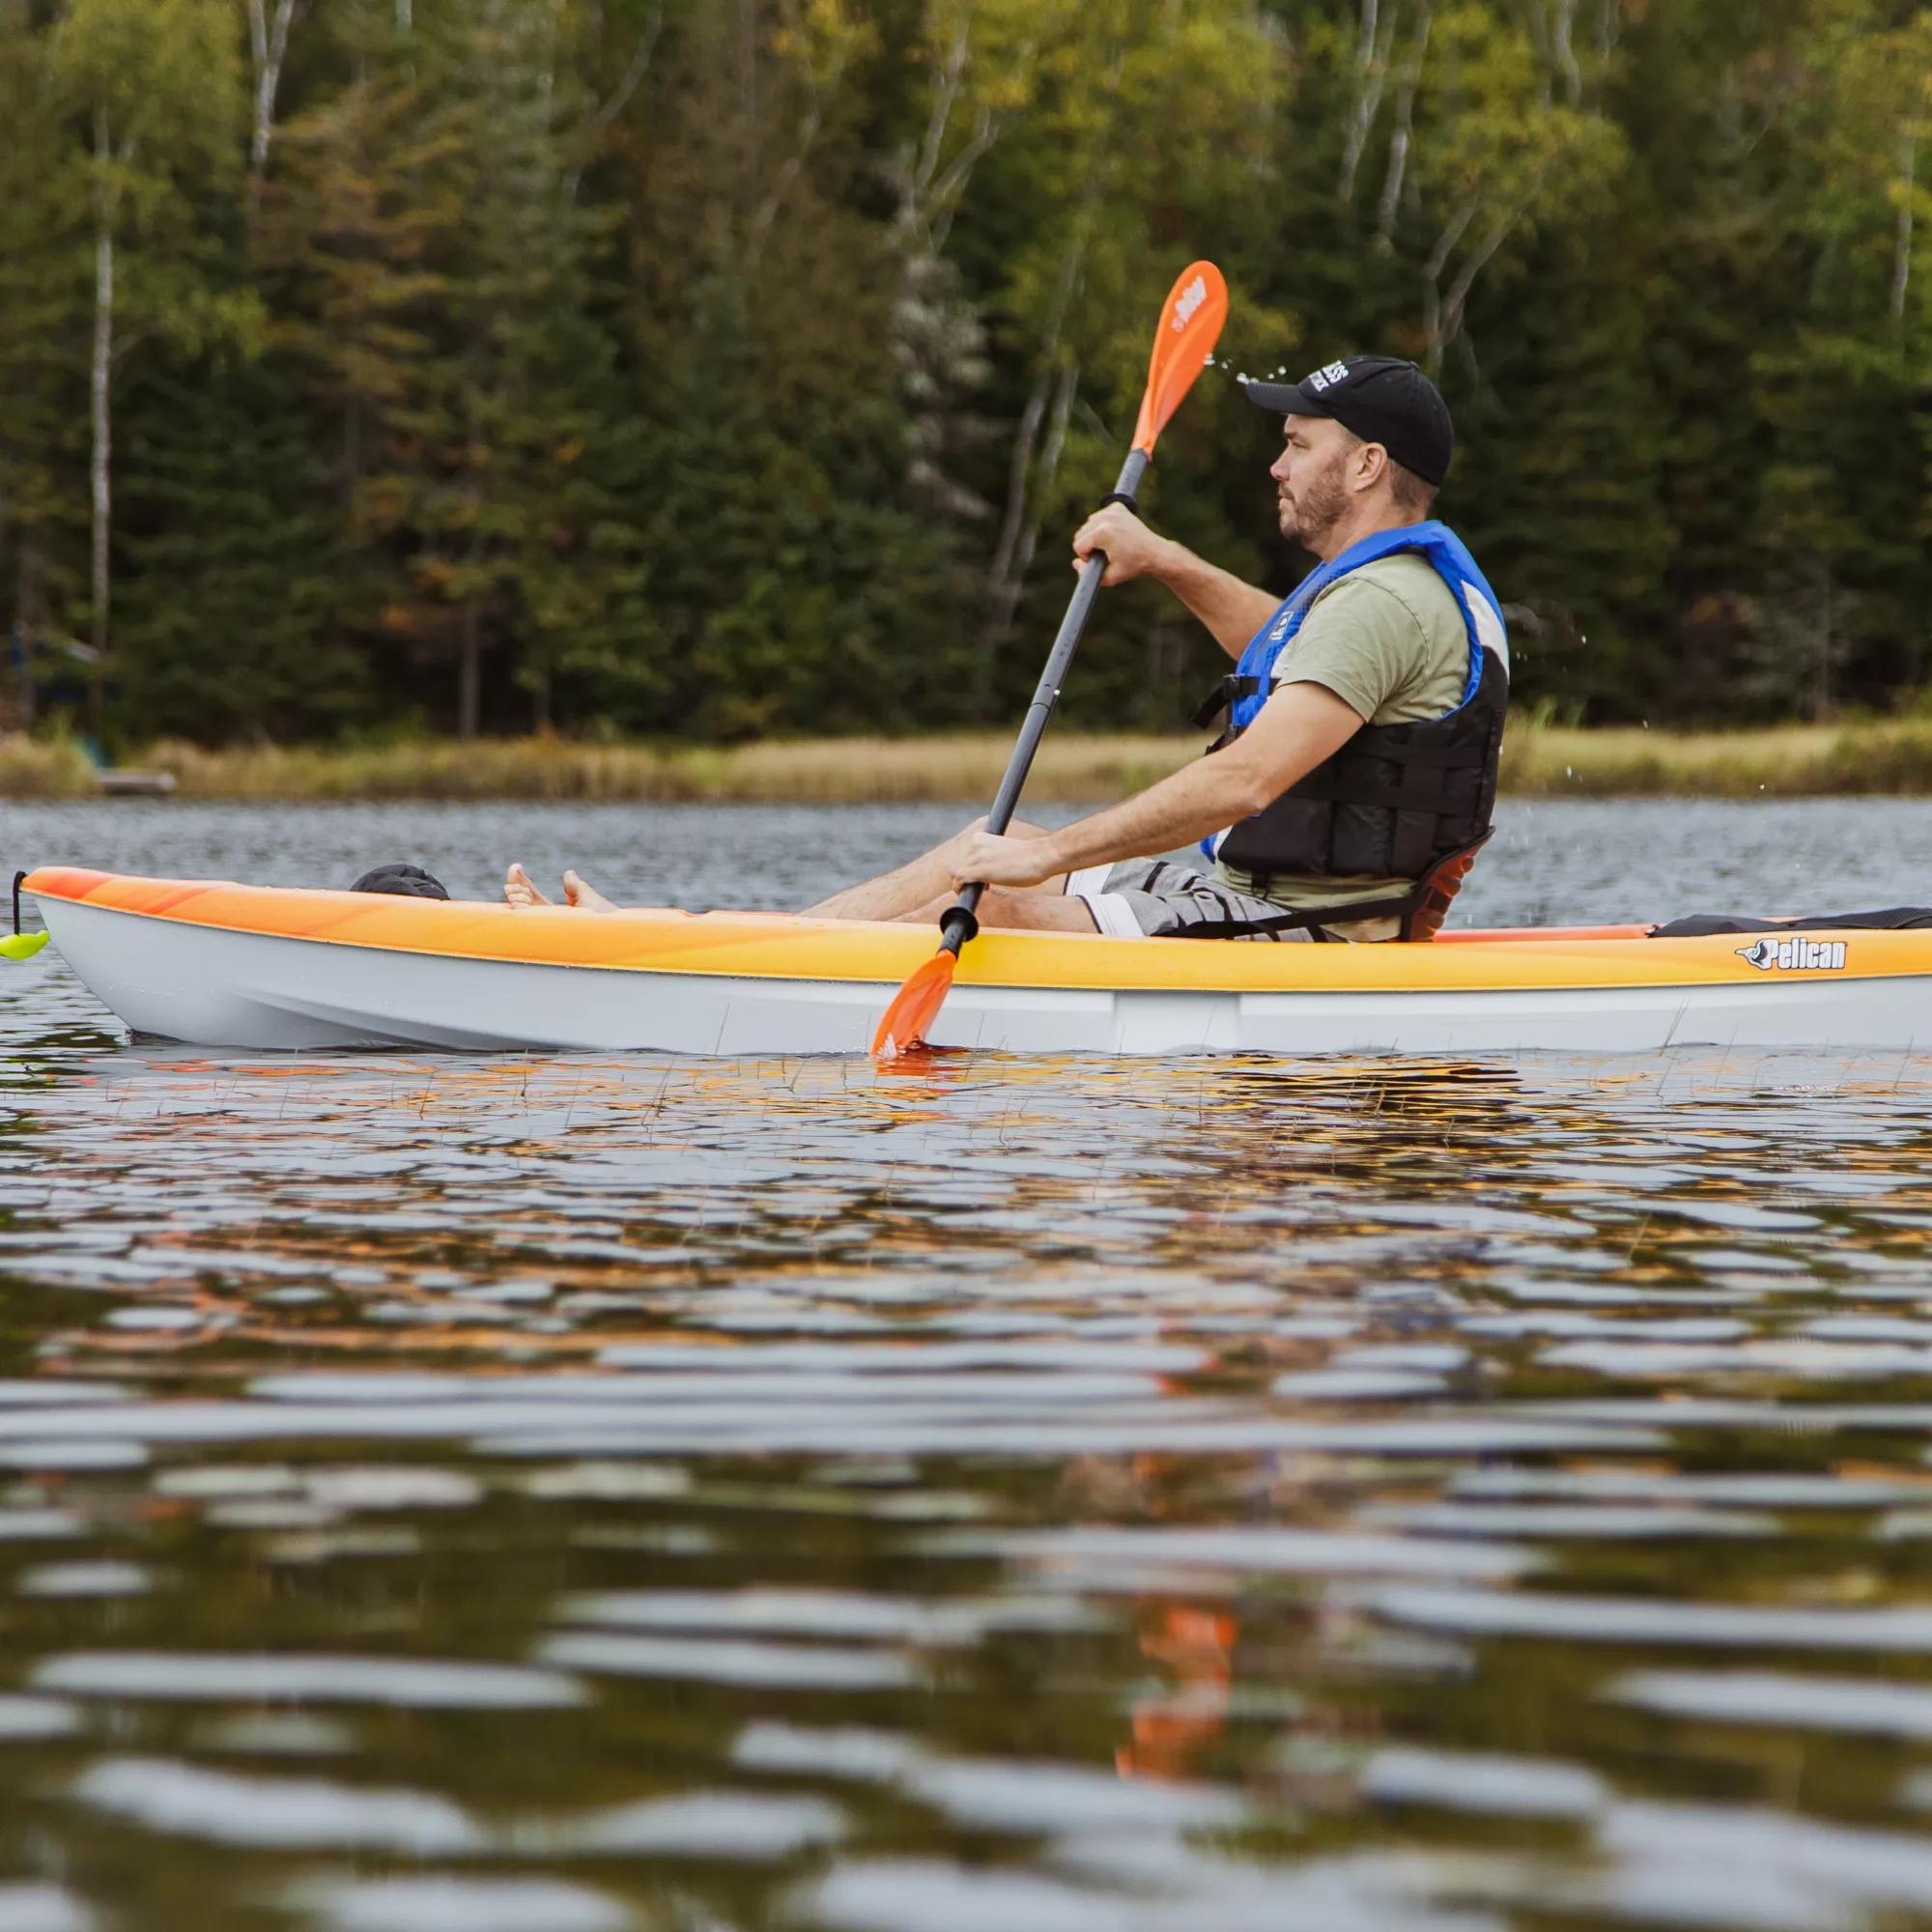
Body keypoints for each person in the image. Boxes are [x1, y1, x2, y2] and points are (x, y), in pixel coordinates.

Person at [505, 354, 1509, 942]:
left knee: (1004, 880)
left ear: (1367, 462)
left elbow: (1245, 780)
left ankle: (703, 957)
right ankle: (710, 942)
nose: (1273, 462)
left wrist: (1054, 860)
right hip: (1253, 895)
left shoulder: (1385, 599)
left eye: (1298, 442)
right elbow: (1287, 648)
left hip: (1305, 930)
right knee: (987, 844)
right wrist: (1160, 559)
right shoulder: (1377, 596)